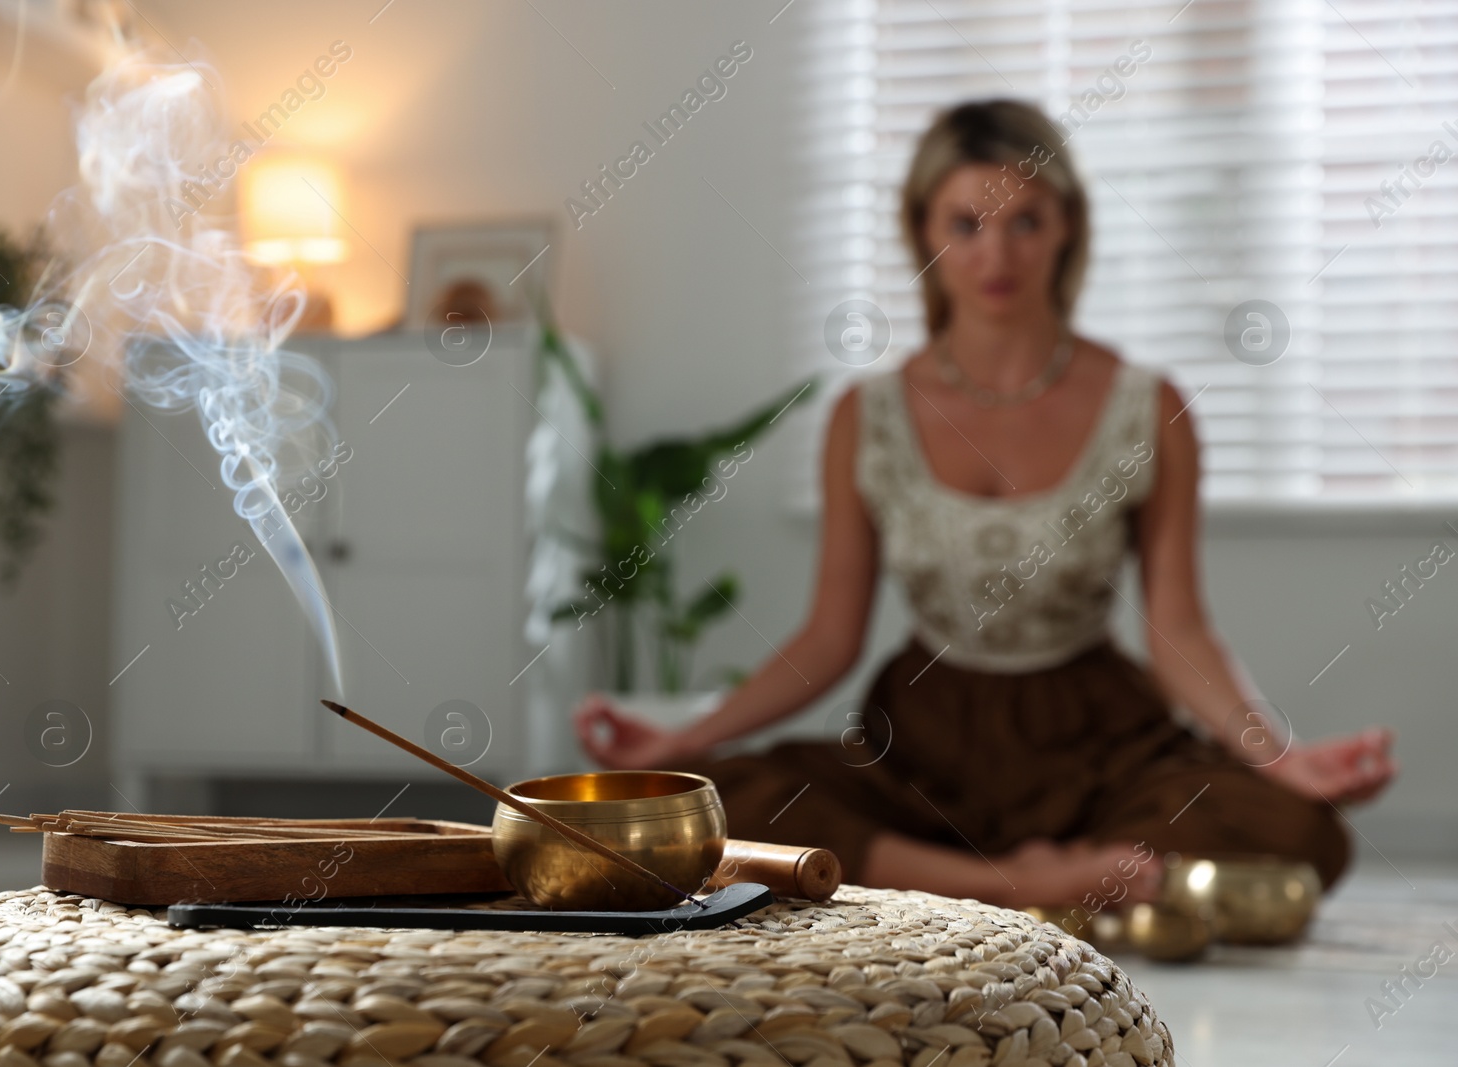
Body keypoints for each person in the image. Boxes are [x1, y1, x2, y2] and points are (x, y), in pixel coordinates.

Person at [573, 99, 1398, 908]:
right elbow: (828, 637)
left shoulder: (1151, 407)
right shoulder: (868, 415)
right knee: (715, 800)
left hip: (1104, 743)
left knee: (1303, 831)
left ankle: (986, 877)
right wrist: (686, 738)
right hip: (922, 750)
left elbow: (1178, 631)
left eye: (1025, 221)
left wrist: (1282, 758)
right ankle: (1029, 886)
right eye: (964, 224)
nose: (994, 254)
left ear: (1068, 223)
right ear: (923, 233)